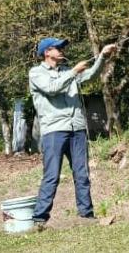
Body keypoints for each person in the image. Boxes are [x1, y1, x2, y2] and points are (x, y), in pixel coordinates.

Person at [29, 37, 118, 228]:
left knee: (82, 173)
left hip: (77, 129)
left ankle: (86, 215)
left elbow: (91, 76)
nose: (62, 50)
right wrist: (74, 71)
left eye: (62, 47)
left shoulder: (66, 71)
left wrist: (102, 56)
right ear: (47, 52)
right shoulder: (36, 73)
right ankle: (39, 218)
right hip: (54, 131)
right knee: (52, 175)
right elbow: (52, 88)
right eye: (58, 48)